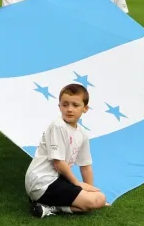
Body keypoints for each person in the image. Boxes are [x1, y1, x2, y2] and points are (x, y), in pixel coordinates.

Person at [25, 84, 107, 218]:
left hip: (57, 180)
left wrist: (90, 189)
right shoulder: (58, 126)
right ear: (59, 106)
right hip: (42, 182)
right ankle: (49, 206)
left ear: (85, 108)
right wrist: (78, 184)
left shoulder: (82, 133)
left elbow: (85, 166)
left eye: (75, 105)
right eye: (65, 105)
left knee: (98, 198)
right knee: (94, 201)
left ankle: (46, 204)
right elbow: (58, 163)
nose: (69, 109)